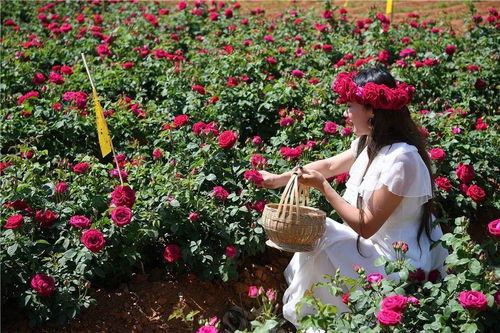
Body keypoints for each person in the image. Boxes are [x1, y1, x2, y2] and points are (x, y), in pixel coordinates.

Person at [258, 68, 449, 327]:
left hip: (396, 262)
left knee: (323, 233)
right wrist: (279, 179)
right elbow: (326, 166)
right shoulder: (368, 143)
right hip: (369, 248)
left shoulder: (402, 159)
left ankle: (331, 320)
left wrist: (324, 188)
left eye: (350, 106)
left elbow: (367, 226)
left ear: (372, 111)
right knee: (320, 237)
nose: (345, 114)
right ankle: (329, 319)